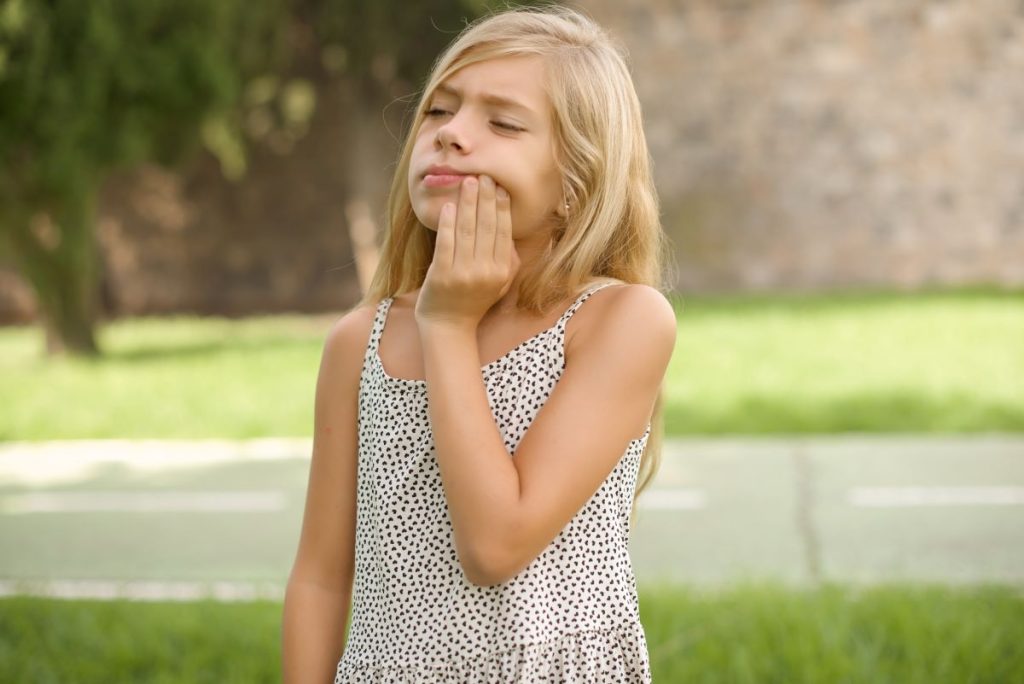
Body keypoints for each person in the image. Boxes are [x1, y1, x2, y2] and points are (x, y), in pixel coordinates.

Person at [282, 5, 677, 682]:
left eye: (503, 123)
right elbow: (319, 578)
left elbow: (494, 546)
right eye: (439, 111)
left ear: (576, 182)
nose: (450, 134)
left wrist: (447, 327)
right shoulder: (360, 342)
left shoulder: (621, 321)